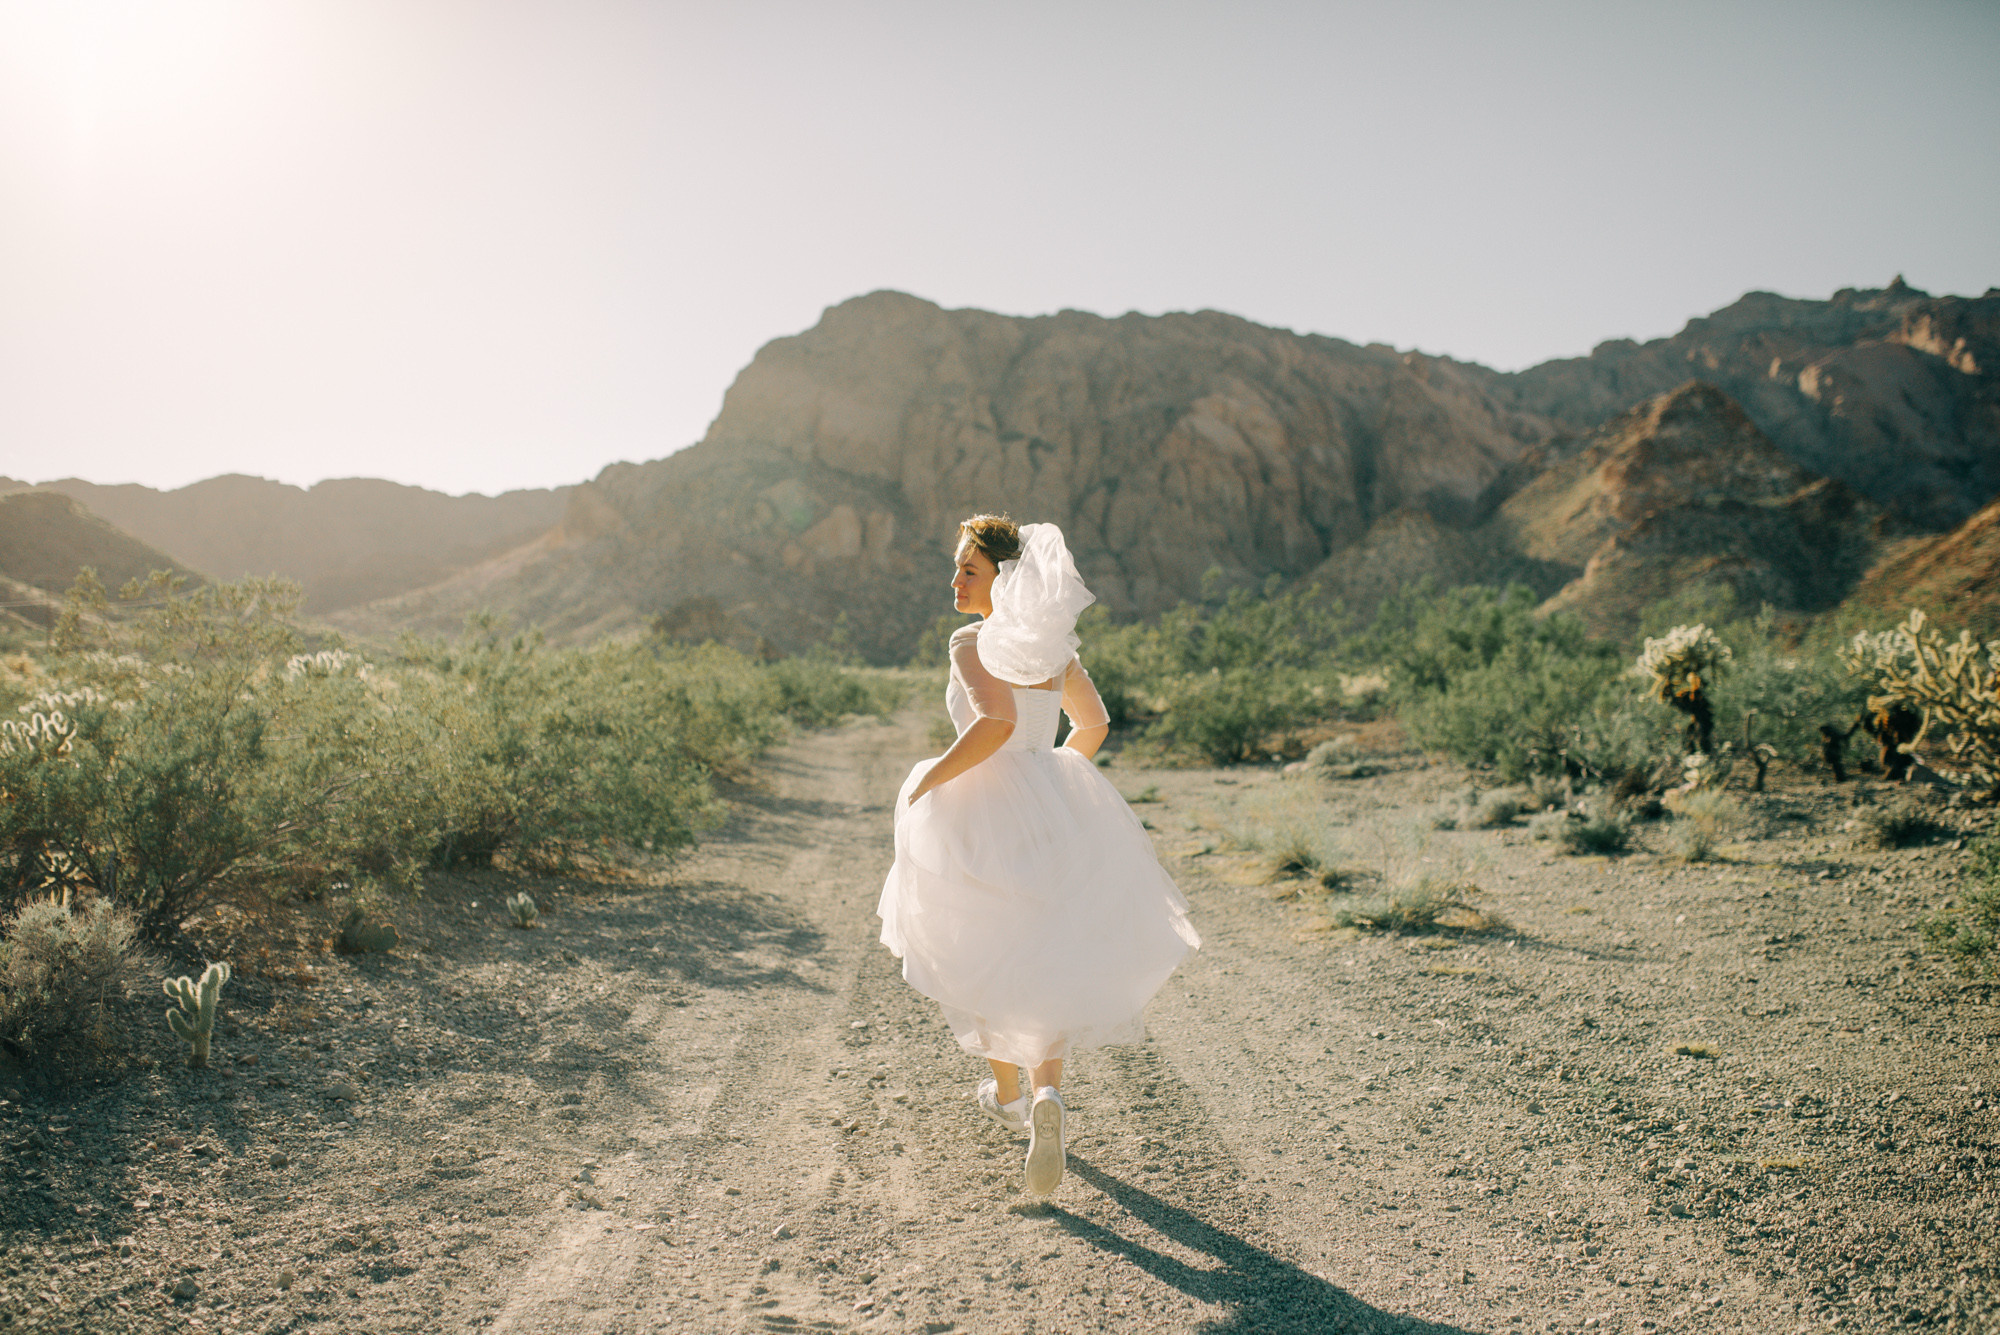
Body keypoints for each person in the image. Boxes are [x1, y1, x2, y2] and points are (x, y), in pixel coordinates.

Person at [877, 514, 1200, 1197]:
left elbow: (993, 723)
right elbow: (1094, 724)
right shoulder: (1056, 649)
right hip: (1045, 807)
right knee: (1040, 948)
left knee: (980, 945)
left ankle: (1007, 1094)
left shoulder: (971, 641)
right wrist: (1054, 783)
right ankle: (1042, 1097)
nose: (956, 578)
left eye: (969, 568)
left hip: (980, 809)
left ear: (1003, 580)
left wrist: (930, 780)